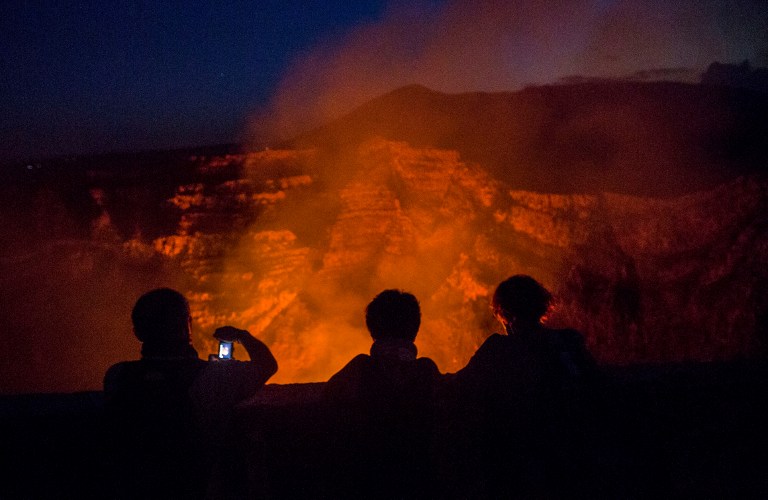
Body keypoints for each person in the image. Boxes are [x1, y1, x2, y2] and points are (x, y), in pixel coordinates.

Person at [103, 288, 277, 499]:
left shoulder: (117, 376)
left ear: (138, 332)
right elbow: (266, 365)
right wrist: (242, 336)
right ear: (188, 324)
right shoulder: (212, 379)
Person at [453, 275, 599, 498]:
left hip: (518, 463)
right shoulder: (568, 342)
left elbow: (460, 386)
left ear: (505, 313)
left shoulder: (498, 349)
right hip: (571, 459)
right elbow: (595, 385)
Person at [322, 289, 442, 498]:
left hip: (367, 481)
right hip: (420, 480)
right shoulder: (427, 370)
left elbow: (327, 399)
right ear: (415, 329)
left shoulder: (360, 369)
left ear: (372, 330)